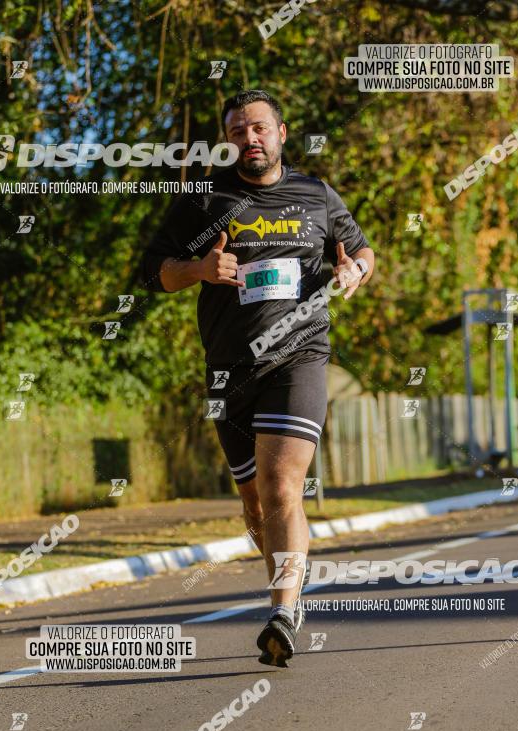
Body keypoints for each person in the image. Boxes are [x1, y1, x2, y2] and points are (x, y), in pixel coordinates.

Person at [142, 89, 374, 667]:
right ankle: (288, 578)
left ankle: (284, 608)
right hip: (229, 370)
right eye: (239, 130)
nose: (251, 138)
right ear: (228, 141)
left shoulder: (316, 195)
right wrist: (197, 268)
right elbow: (154, 272)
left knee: (280, 486)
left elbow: (365, 253)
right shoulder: (203, 198)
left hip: (300, 355)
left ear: (281, 133)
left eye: (260, 128)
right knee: (254, 503)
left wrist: (353, 271)